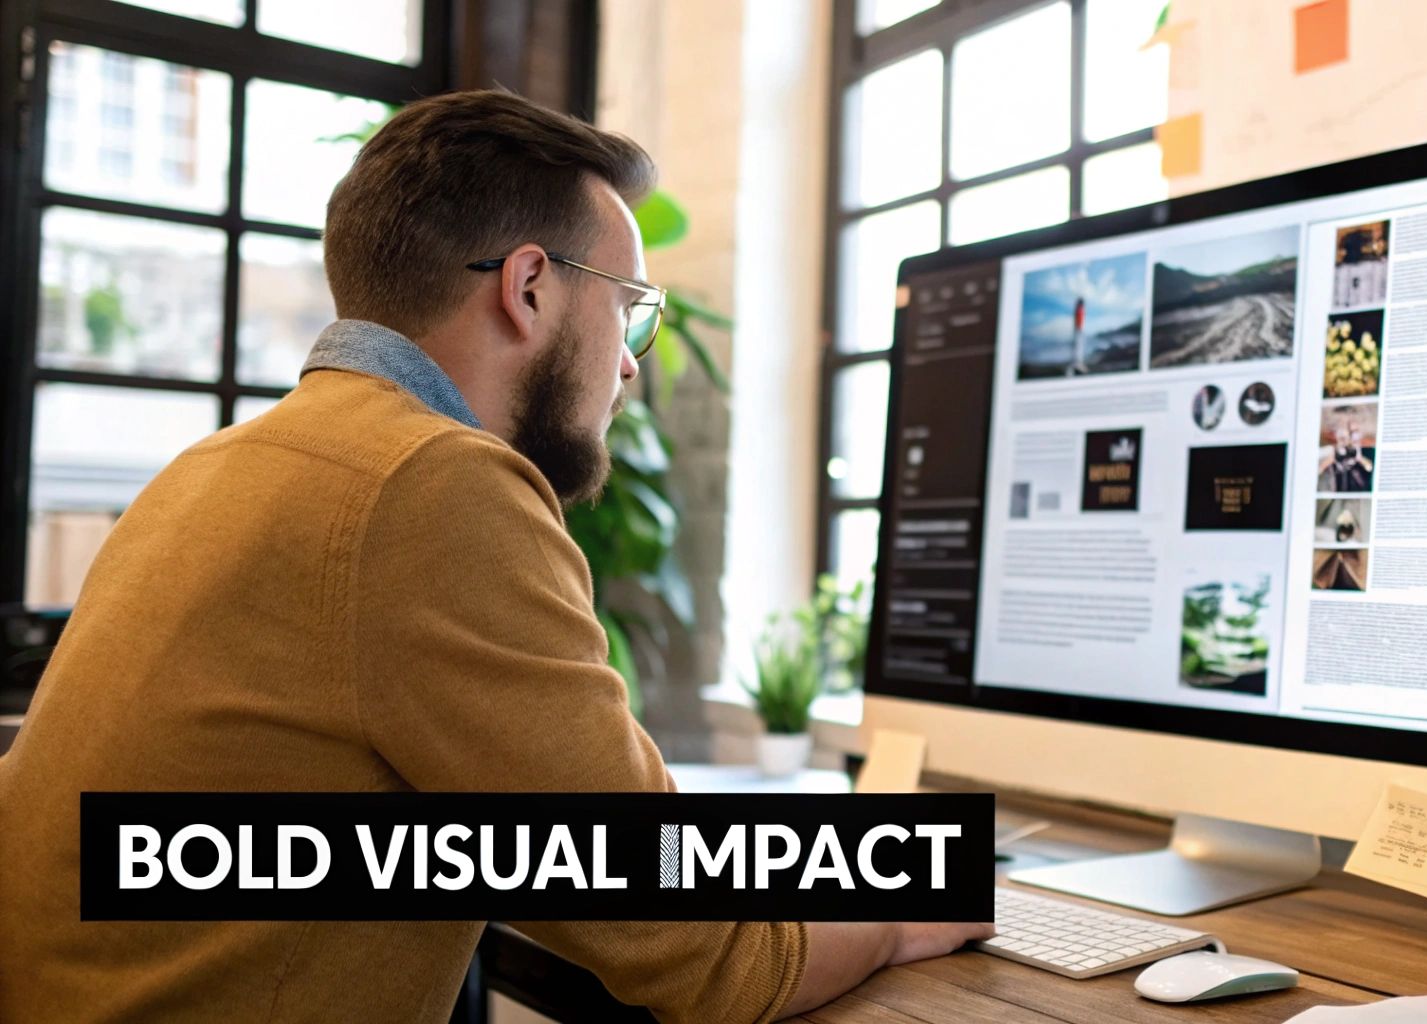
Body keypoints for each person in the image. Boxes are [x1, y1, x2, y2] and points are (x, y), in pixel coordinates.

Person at [0, 90, 989, 1023]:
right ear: (528, 287)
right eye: (629, 308)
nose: (629, 361)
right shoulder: (432, 484)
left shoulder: (217, 467)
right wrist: (904, 907)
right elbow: (707, 949)